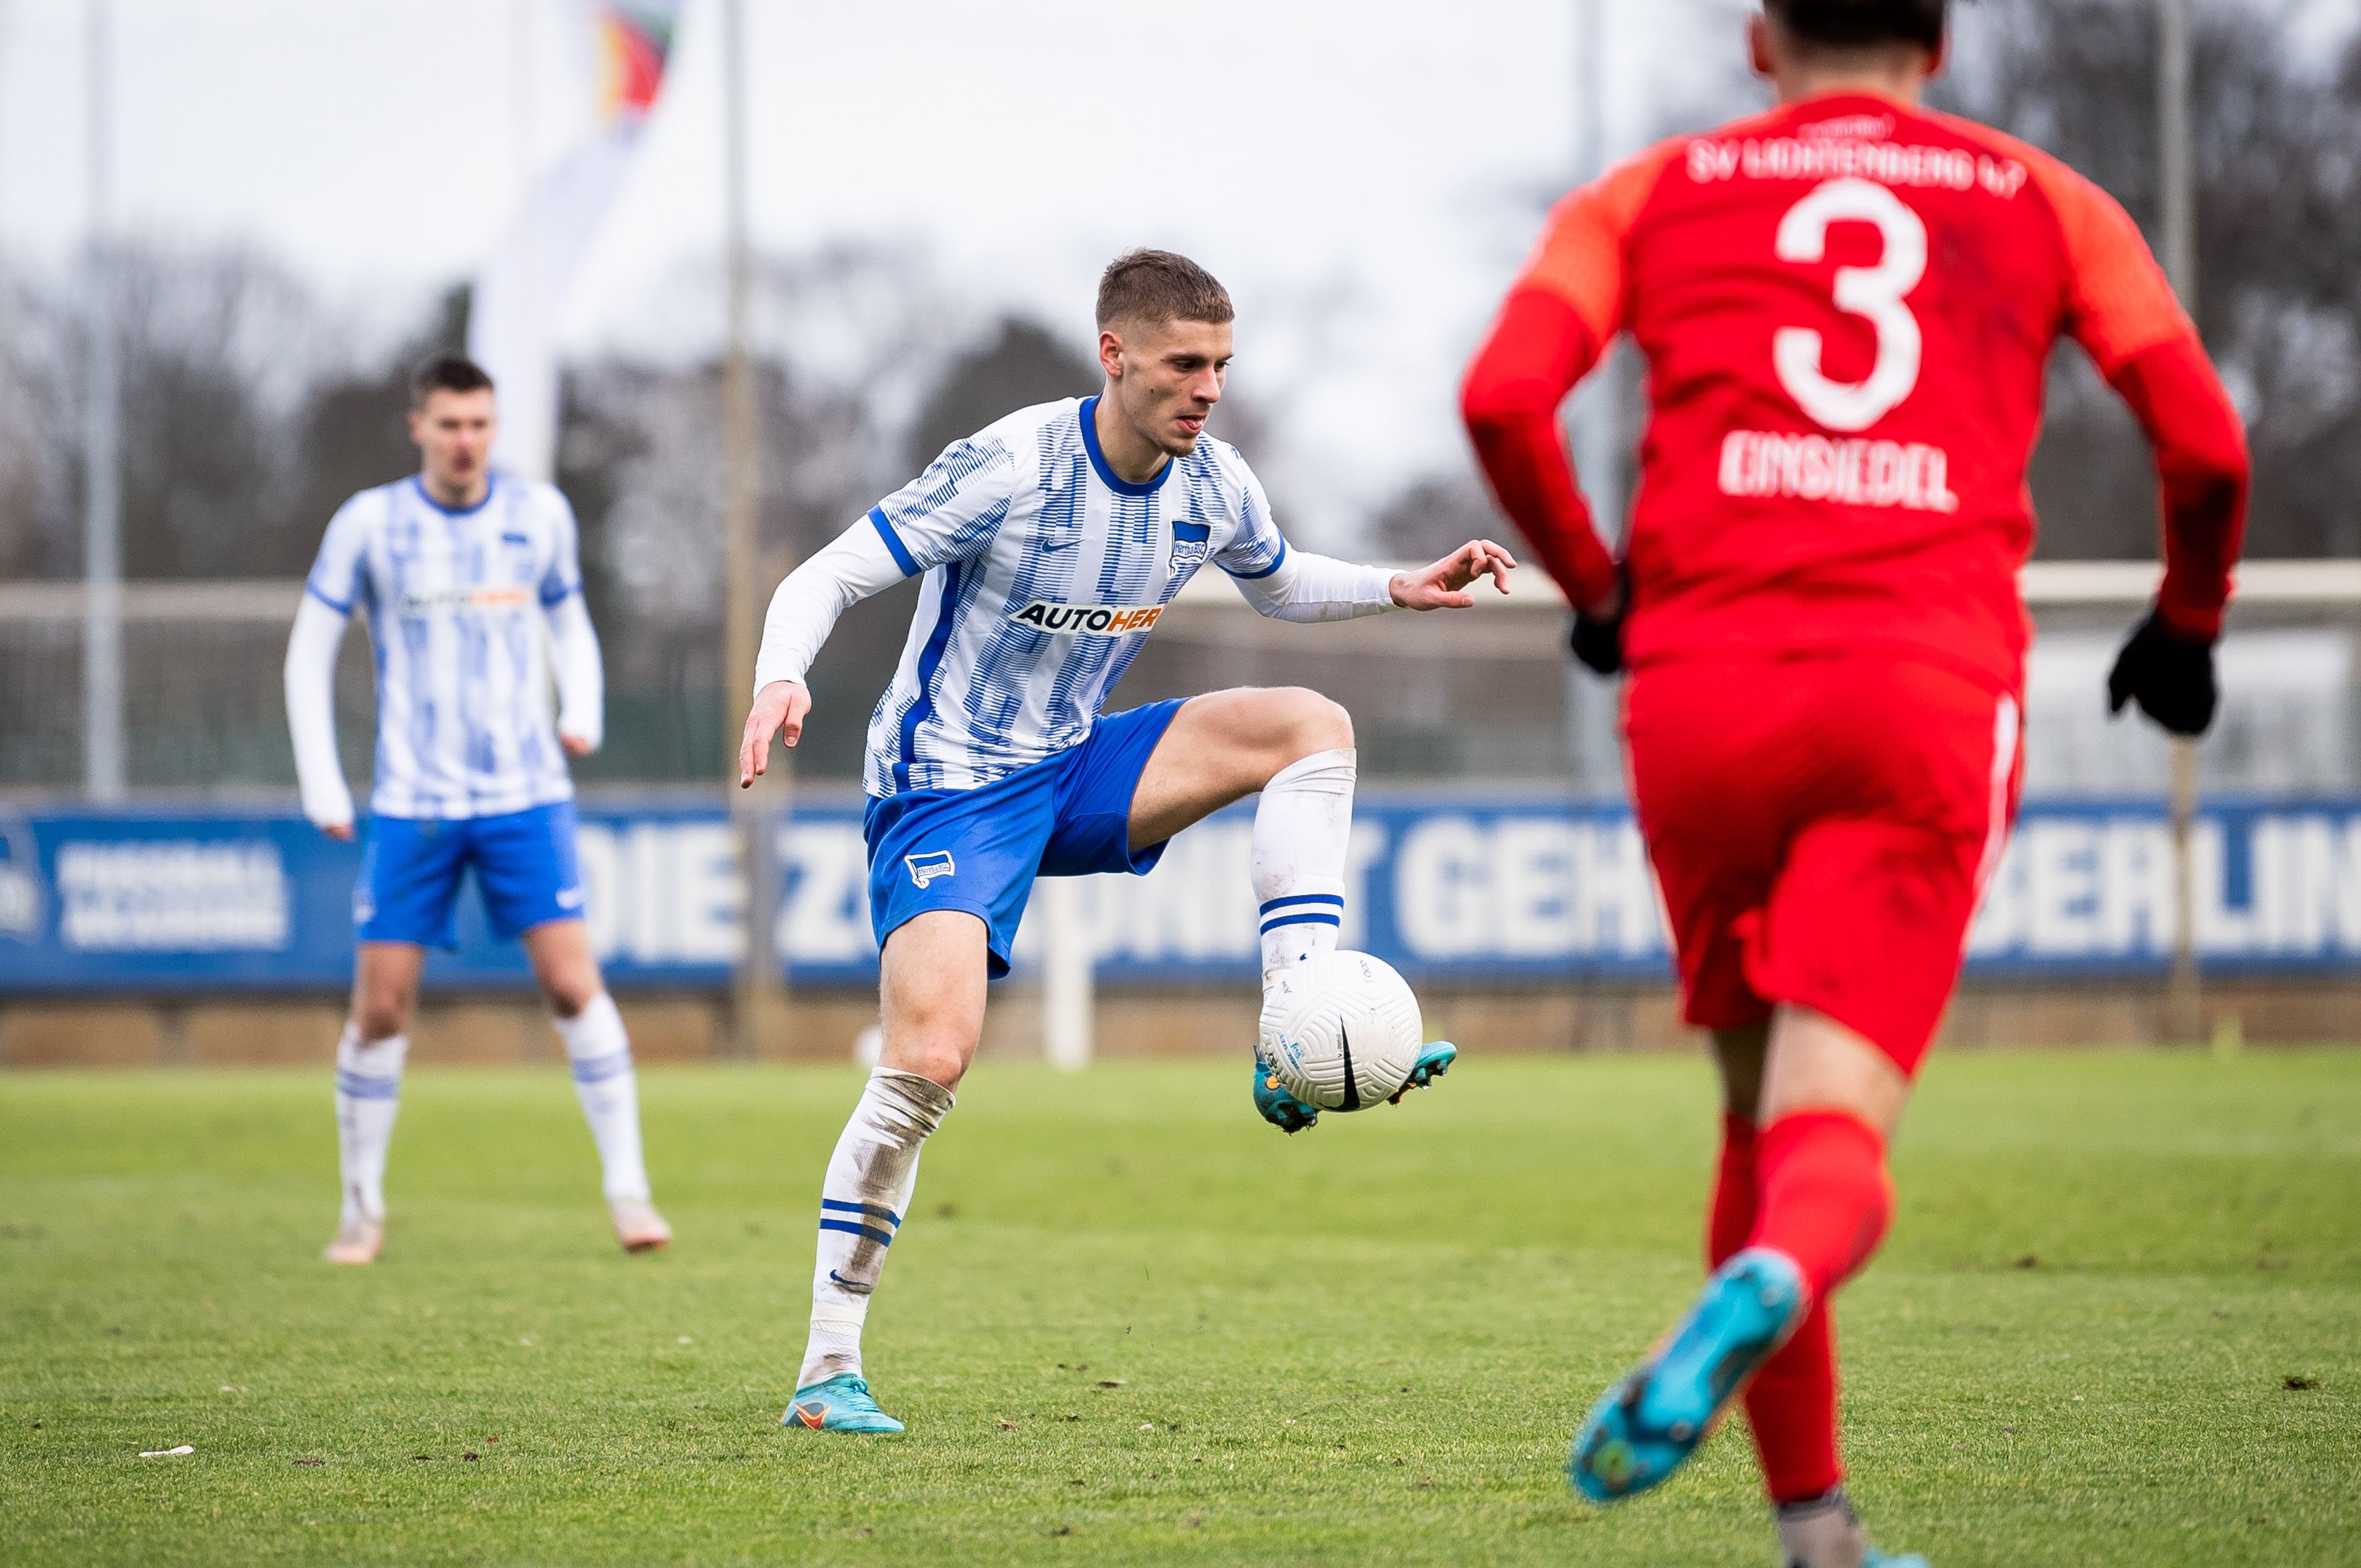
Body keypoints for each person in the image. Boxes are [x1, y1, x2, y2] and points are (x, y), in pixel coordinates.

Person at [1460, 2, 2248, 1563]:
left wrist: (1593, 585)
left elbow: (1500, 397)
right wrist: (2188, 618)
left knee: (1754, 1123)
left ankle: (1814, 1534)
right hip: (1916, 686)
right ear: (1938, 42)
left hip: (1697, 693)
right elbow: (2206, 447)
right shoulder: (2047, 201)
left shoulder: (1646, 192)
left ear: (1760, 37)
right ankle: (1762, 1287)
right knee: (1829, 1141)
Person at [740, 249, 1514, 1433]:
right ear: (1115, 356)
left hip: (1079, 759)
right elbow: (831, 571)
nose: (1207, 388)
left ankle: (1290, 1020)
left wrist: (1395, 585)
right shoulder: (1013, 463)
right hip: (947, 786)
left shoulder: (1216, 482)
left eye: (1221, 365)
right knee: (930, 1061)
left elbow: (1278, 580)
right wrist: (778, 675)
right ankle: (827, 1368)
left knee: (1311, 725)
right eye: (1183, 364)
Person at [283, 356, 671, 1266]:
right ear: (417, 425)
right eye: (449, 424)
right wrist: (322, 781)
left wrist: (584, 709)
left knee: (574, 983)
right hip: (413, 801)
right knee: (380, 1009)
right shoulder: (369, 524)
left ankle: (628, 1189)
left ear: (494, 429)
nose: (466, 441)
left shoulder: (539, 515)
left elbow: (572, 622)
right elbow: (308, 653)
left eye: (479, 425)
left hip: (524, 795)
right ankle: (361, 1207)